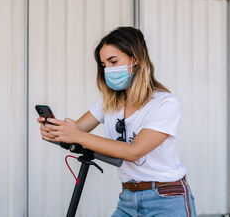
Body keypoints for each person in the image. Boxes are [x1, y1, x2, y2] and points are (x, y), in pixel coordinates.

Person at [38, 27, 196, 216]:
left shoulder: (165, 103)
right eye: (104, 65)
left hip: (166, 198)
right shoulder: (109, 102)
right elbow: (77, 131)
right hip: (128, 198)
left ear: (135, 59)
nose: (108, 69)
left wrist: (76, 135)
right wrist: (56, 132)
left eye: (113, 61)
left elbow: (133, 152)